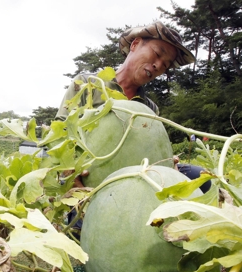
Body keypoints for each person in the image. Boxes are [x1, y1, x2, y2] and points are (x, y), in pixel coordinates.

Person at [57, 21, 211, 193]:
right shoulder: (88, 84)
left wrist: (166, 161)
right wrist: (69, 168)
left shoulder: (150, 108)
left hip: (134, 177)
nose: (158, 65)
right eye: (158, 53)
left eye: (166, 65)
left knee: (202, 177)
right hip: (90, 175)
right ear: (135, 44)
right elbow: (59, 131)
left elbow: (152, 149)